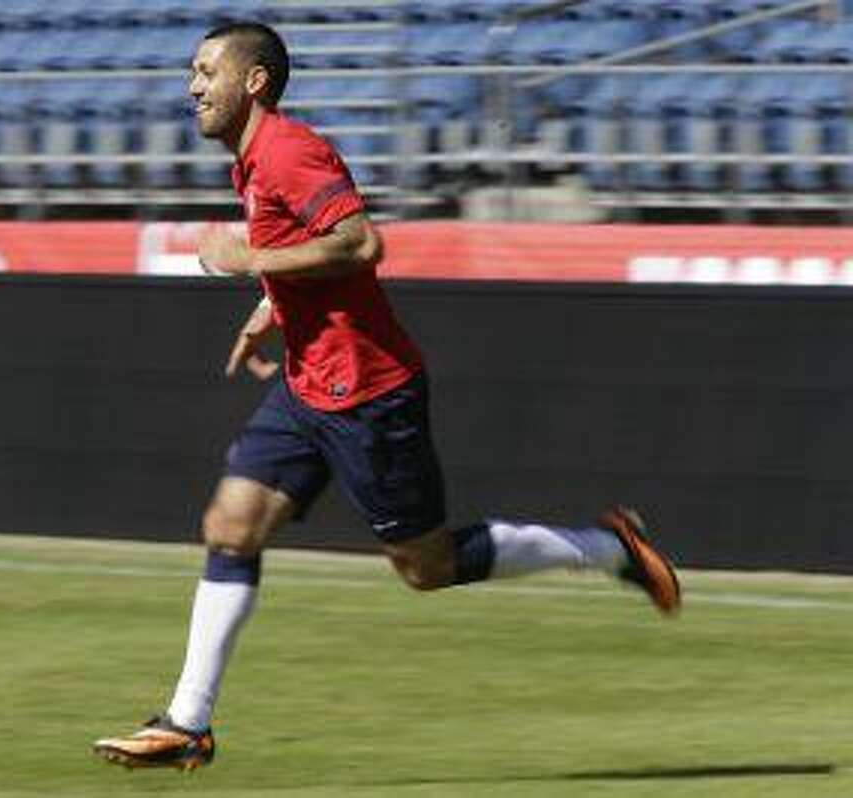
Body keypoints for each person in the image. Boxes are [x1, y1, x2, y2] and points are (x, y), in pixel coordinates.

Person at [93, 21, 680, 772]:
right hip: (311, 381)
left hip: (369, 393)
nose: (192, 86)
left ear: (255, 82)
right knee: (231, 525)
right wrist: (271, 307)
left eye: (207, 70)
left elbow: (362, 243)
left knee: (425, 568)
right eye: (193, 71)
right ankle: (187, 723)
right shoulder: (251, 162)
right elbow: (320, 257)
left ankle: (609, 549)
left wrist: (249, 260)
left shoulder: (288, 150)